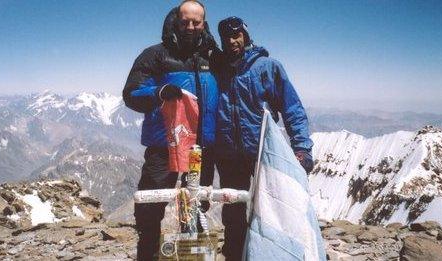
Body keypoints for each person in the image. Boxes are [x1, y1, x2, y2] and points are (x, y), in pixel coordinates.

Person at [122, 1, 218, 259]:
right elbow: (131, 94)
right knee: (150, 207)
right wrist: (158, 92)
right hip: (164, 146)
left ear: (203, 24)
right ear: (176, 21)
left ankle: (191, 256)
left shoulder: (212, 56)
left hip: (201, 149)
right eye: (185, 21)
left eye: (196, 22)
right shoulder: (155, 55)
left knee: (197, 206)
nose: (190, 26)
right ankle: (149, 255)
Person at [213, 16, 314, 260]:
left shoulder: (268, 67)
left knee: (270, 211)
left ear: (245, 36)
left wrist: (301, 148)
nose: (232, 40)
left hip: (263, 152)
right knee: (233, 213)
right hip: (228, 156)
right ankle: (236, 256)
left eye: (236, 35)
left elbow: (292, 109)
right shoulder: (217, 67)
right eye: (226, 36)